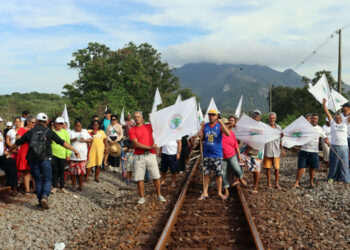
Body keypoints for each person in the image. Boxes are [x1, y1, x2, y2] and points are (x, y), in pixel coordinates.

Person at [10, 113, 80, 209]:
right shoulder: (49, 131)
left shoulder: (30, 132)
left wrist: (10, 151)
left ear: (37, 121)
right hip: (45, 159)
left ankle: (40, 201)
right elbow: (62, 142)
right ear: (46, 121)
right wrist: (74, 150)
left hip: (33, 160)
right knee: (47, 179)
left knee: (38, 180)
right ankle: (45, 196)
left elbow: (17, 143)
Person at [128, 111, 166, 204]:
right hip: (139, 156)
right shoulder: (132, 130)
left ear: (142, 118)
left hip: (151, 155)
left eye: (138, 117)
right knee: (139, 177)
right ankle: (142, 197)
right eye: (135, 117)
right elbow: (136, 144)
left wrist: (153, 117)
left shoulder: (149, 126)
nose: (137, 118)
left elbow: (160, 126)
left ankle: (159, 195)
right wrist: (150, 147)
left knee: (156, 176)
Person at [198, 109, 230, 200]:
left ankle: (219, 192)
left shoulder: (220, 126)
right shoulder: (205, 126)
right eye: (210, 115)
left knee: (218, 174)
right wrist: (200, 133)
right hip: (206, 154)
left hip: (217, 154)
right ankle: (205, 192)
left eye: (213, 115)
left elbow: (227, 133)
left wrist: (222, 124)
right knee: (205, 174)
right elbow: (202, 137)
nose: (211, 117)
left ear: (217, 116)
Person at [293, 113, 328, 189]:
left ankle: (311, 183)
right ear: (310, 119)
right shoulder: (304, 128)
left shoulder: (319, 129)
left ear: (317, 120)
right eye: (312, 118)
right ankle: (297, 182)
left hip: (314, 151)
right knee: (300, 167)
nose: (314, 120)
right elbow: (296, 134)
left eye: (315, 119)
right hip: (304, 150)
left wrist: (328, 142)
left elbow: (325, 137)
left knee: (312, 168)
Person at [322, 99, 350, 183]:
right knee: (333, 163)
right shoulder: (332, 123)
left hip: (344, 147)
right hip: (334, 146)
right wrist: (324, 105)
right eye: (336, 117)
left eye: (339, 117)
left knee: (344, 164)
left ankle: (345, 178)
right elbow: (327, 113)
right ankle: (332, 177)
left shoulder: (346, 123)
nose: (338, 117)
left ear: (342, 118)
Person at [222, 116, 246, 199]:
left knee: (236, 168)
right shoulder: (218, 134)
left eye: (227, 124)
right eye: (224, 124)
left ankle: (240, 178)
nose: (226, 126)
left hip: (232, 155)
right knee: (223, 174)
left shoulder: (231, 133)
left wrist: (239, 155)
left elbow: (236, 145)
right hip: (221, 157)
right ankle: (226, 191)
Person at [243, 110, 264, 193]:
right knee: (240, 161)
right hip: (248, 148)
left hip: (257, 150)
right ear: (252, 117)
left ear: (260, 117)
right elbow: (245, 136)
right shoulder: (248, 126)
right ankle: (239, 179)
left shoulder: (263, 126)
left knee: (256, 169)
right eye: (254, 115)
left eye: (257, 115)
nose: (255, 116)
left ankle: (255, 188)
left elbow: (264, 137)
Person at [263, 112, 285, 190]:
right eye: (270, 118)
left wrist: (282, 150)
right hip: (267, 150)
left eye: (273, 118)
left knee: (276, 168)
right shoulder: (265, 127)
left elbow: (280, 140)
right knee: (268, 168)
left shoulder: (279, 128)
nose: (272, 119)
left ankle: (276, 183)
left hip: (276, 151)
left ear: (275, 119)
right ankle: (269, 183)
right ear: (268, 118)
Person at [69, 119, 93, 191]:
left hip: (82, 156)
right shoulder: (70, 132)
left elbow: (91, 139)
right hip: (73, 155)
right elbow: (66, 141)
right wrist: (73, 139)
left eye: (79, 126)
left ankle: (80, 185)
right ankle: (74, 185)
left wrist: (84, 140)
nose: (78, 128)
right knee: (73, 172)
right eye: (76, 126)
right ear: (74, 126)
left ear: (81, 126)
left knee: (81, 172)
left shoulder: (85, 132)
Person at [51, 117, 71, 194]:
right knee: (54, 171)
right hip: (53, 154)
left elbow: (67, 143)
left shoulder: (65, 132)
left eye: (61, 123)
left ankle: (62, 186)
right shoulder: (51, 131)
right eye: (58, 123)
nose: (59, 125)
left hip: (62, 154)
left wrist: (68, 154)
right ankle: (54, 186)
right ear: (55, 123)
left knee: (62, 171)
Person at [16, 116, 36, 194]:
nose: (34, 124)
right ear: (28, 122)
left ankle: (35, 188)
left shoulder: (35, 130)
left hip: (34, 152)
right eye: (33, 122)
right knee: (27, 171)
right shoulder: (22, 129)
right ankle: (27, 190)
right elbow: (18, 139)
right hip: (25, 151)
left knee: (35, 170)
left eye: (35, 122)